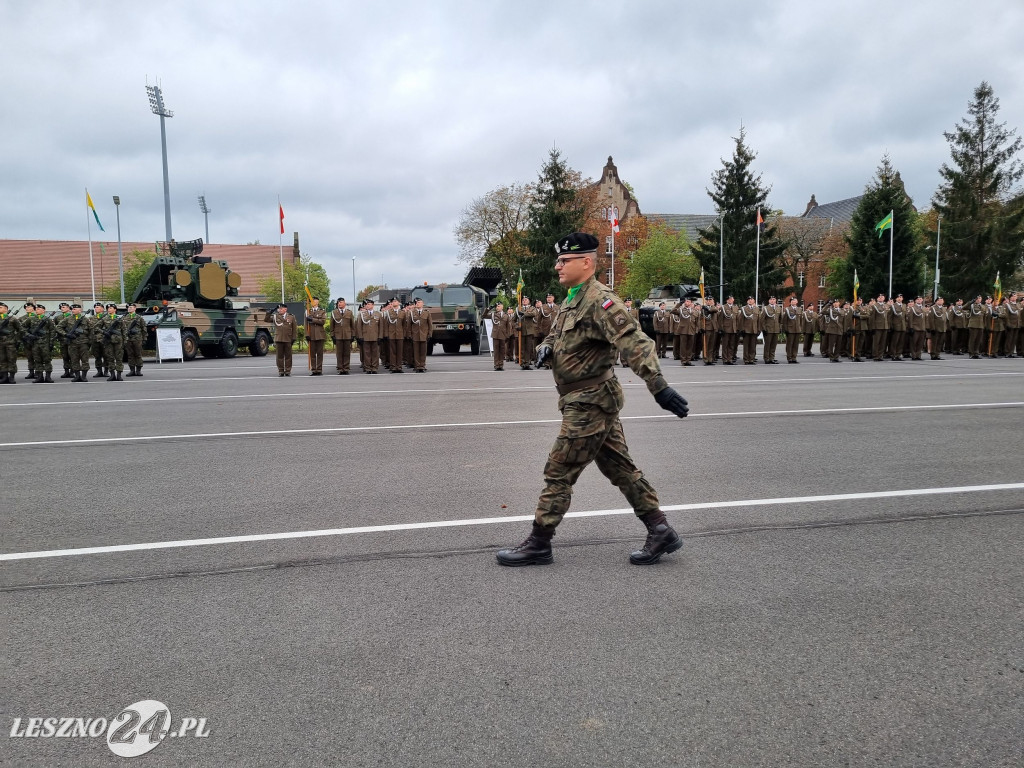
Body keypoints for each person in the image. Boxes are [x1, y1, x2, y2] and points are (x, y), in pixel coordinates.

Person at [496, 232, 689, 568]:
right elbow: (557, 333)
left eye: (564, 260)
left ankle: (539, 542)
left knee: (559, 470)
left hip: (590, 403)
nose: (557, 266)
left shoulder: (602, 301)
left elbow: (635, 342)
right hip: (585, 400)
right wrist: (545, 348)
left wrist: (659, 386)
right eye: (558, 260)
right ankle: (660, 529)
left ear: (586, 262)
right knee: (621, 468)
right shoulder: (574, 298)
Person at [265, 303, 298, 375]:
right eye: (279, 309)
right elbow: (266, 320)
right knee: (279, 356)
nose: (279, 310)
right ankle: (281, 371)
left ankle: (288, 370)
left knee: (288, 356)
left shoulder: (291, 317)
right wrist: (269, 312)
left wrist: (293, 338)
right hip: (279, 338)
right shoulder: (275, 316)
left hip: (288, 338)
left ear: (285, 309)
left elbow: (294, 329)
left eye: (281, 309)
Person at [64, 303, 93, 382]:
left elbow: (91, 331)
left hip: (83, 342)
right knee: (74, 360)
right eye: (72, 309)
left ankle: (84, 376)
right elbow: (59, 328)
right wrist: (67, 335)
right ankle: (77, 376)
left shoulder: (86, 319)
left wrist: (89, 342)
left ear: (80, 310)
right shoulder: (67, 319)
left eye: (75, 309)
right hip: (72, 343)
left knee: (85, 360)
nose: (73, 310)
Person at [98, 303, 125, 381]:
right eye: (108, 308)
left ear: (115, 310)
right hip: (108, 341)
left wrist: (124, 341)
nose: (109, 309)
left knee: (119, 358)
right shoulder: (104, 319)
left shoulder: (119, 319)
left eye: (111, 308)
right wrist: (104, 332)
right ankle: (112, 374)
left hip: (118, 341)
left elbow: (124, 330)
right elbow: (96, 327)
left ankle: (119, 375)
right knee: (110, 358)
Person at [355, 300, 382, 373]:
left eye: (369, 304)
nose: (367, 305)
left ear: (373, 305)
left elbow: (381, 326)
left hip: (375, 336)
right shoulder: (362, 314)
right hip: (365, 336)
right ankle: (367, 368)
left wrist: (380, 336)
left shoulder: (378, 314)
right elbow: (359, 326)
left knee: (375, 353)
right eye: (366, 304)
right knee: (367, 353)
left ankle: (374, 368)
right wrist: (360, 336)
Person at [330, 298, 355, 374]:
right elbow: (332, 325)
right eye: (338, 302)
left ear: (344, 303)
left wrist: (353, 335)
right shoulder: (334, 312)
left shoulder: (349, 313)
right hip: (338, 335)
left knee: (347, 352)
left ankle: (346, 368)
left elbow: (352, 325)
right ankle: (340, 368)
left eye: (341, 302)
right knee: (339, 353)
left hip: (347, 335)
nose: (339, 304)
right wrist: (332, 335)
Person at [0, 302, 23, 383]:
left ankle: (12, 377)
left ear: (6, 309)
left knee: (11, 359)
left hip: (10, 343)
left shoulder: (12, 319)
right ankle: (4, 377)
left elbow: (20, 330)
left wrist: (17, 339)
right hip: (0, 344)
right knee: (2, 360)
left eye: (0, 307)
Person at [407, 297, 432, 372]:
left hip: (424, 335)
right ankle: (417, 366)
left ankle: (422, 365)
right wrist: (409, 334)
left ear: (423, 303)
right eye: (417, 303)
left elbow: (430, 324)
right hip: (415, 335)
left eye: (419, 302)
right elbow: (409, 325)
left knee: (423, 352)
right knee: (416, 351)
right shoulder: (412, 313)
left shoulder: (426, 312)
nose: (418, 304)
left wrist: (430, 334)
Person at [122, 303, 147, 376]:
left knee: (138, 354)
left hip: (137, 338)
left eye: (131, 307)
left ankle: (138, 370)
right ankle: (132, 370)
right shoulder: (124, 318)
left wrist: (144, 338)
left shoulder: (139, 318)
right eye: (128, 307)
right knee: (130, 355)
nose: (129, 308)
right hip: (128, 339)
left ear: (135, 308)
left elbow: (144, 328)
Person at [305, 296, 327, 375]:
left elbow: (323, 321)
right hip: (311, 335)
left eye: (315, 301)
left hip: (320, 334)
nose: (313, 302)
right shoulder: (308, 311)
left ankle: (319, 369)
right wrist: (306, 334)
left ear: (318, 302)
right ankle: (314, 369)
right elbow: (305, 324)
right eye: (312, 301)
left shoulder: (322, 311)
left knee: (320, 353)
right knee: (313, 354)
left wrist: (313, 320)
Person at [518, 296, 538, 369]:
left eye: (526, 300)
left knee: (528, 348)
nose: (524, 301)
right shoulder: (518, 308)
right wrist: (516, 326)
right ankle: (522, 363)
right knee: (522, 348)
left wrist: (523, 313)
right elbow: (513, 320)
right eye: (523, 300)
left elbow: (533, 314)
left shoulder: (532, 308)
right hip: (522, 330)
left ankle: (527, 363)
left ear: (529, 301)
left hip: (529, 331)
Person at [760, 296, 781, 363]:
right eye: (771, 299)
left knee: (773, 345)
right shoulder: (766, 308)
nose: (772, 300)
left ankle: (772, 358)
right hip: (768, 329)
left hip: (776, 329)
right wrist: (764, 329)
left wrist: (780, 327)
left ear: (776, 300)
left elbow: (780, 319)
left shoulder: (778, 308)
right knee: (767, 345)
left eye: (774, 299)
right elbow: (762, 320)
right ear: (769, 301)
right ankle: (766, 358)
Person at [781, 297, 802, 363]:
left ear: (797, 301)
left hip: (797, 329)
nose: (793, 302)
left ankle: (794, 357)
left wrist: (800, 328)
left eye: (794, 300)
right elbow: (784, 321)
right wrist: (785, 329)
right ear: (790, 302)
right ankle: (789, 357)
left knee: (796, 345)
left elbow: (801, 320)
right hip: (790, 329)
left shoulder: (800, 309)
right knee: (789, 344)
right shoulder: (787, 309)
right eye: (792, 301)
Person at [490, 302, 510, 370]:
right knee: (496, 351)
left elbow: (508, 326)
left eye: (498, 306)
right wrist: (488, 309)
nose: (497, 307)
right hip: (495, 335)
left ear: (502, 307)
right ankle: (496, 365)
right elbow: (483, 316)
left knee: (502, 351)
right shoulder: (493, 314)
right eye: (496, 306)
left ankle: (501, 365)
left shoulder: (506, 315)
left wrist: (507, 335)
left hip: (503, 334)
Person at [90, 302, 108, 378]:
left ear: (102, 309)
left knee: (106, 356)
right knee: (97, 356)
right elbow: (90, 328)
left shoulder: (107, 317)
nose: (96, 308)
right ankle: (99, 371)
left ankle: (106, 371)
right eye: (95, 307)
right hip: (95, 339)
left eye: (98, 307)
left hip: (104, 339)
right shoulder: (91, 318)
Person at [739, 297, 759, 364]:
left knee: (753, 346)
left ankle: (752, 359)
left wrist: (758, 329)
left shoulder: (756, 308)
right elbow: (741, 320)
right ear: (747, 301)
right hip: (746, 330)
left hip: (754, 330)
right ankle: (746, 359)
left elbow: (758, 320)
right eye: (749, 300)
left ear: (754, 301)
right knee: (746, 346)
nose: (750, 301)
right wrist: (742, 329)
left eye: (752, 299)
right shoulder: (744, 308)